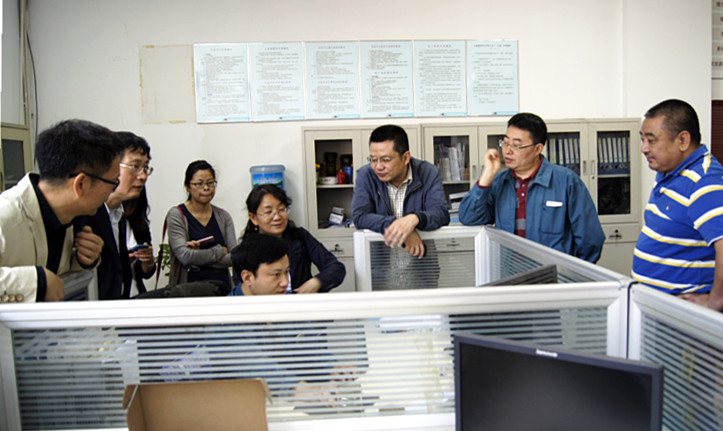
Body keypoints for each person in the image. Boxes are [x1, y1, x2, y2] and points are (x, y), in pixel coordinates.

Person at [0, 119, 122, 303]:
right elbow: (43, 282)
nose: (112, 191)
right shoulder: (6, 216)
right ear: (81, 184)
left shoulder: (63, 217)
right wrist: (36, 282)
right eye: (113, 182)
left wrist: (80, 260)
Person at [459, 112, 605, 263]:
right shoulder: (499, 182)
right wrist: (487, 175)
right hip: (509, 272)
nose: (508, 151)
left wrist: (573, 272)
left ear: (537, 149)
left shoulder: (566, 181)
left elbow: (590, 239)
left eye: (516, 145)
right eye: (506, 143)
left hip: (552, 274)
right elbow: (469, 218)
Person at [633, 99, 723, 311]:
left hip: (682, 315)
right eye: (642, 139)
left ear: (682, 140)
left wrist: (715, 303)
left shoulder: (704, 182)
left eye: (651, 140)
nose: (644, 148)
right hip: (657, 309)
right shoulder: (670, 172)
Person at [351, 124, 449, 290]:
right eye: (373, 159)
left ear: (406, 157)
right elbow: (360, 216)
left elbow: (440, 213)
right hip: (380, 274)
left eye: (386, 160)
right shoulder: (366, 175)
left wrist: (415, 219)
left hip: (421, 272)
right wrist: (401, 227)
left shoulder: (428, 172)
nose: (378, 166)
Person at [74, 131, 155, 300]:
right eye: (135, 166)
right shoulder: (84, 214)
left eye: (146, 168)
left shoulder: (119, 214)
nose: (143, 176)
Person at [241, 184, 344, 293]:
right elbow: (243, 290)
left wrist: (317, 282)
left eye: (281, 209)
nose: (277, 217)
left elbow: (336, 267)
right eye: (268, 212)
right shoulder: (246, 250)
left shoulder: (300, 237)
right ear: (253, 217)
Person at [165, 160, 236, 289]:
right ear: (187, 187)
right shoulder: (177, 215)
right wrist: (220, 250)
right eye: (199, 184)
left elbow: (234, 257)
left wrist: (198, 257)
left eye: (210, 183)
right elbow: (185, 256)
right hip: (188, 290)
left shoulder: (223, 216)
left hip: (222, 288)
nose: (206, 188)